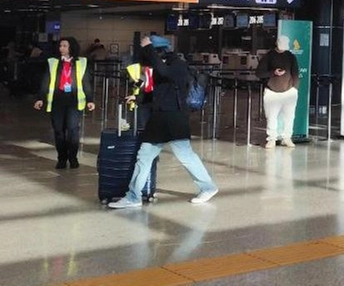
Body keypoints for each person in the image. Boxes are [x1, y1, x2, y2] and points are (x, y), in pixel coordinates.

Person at [109, 36, 218, 207]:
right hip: (159, 117)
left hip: (175, 117)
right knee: (144, 156)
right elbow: (153, 91)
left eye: (151, 52)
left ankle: (208, 187)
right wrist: (137, 98)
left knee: (185, 155)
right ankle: (133, 196)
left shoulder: (178, 66)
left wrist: (148, 47)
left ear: (158, 51)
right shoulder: (159, 67)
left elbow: (166, 73)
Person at [33, 37, 95, 169]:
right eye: (60, 46)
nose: (61, 48)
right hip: (57, 101)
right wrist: (40, 98)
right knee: (59, 131)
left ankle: (73, 157)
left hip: (74, 101)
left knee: (72, 130)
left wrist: (90, 100)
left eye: (65, 46)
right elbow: (46, 81)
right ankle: (61, 158)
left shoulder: (82, 62)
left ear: (71, 47)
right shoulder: (53, 62)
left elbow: (86, 83)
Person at [256, 34, 300, 149]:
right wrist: (273, 73)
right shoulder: (268, 56)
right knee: (271, 117)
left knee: (289, 117)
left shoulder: (291, 56)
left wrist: (295, 88)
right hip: (272, 92)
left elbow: (295, 72)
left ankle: (287, 138)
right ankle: (271, 139)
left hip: (289, 92)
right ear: (277, 43)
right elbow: (259, 73)